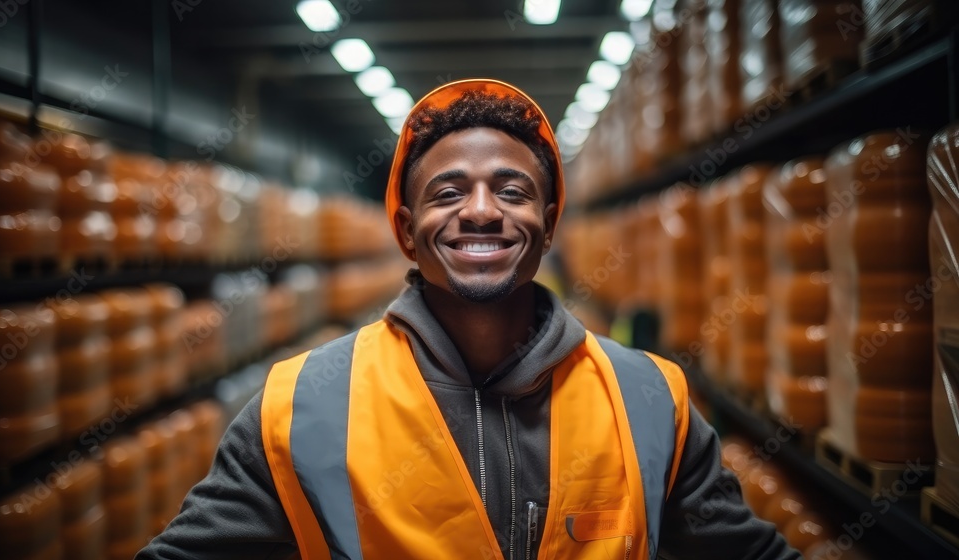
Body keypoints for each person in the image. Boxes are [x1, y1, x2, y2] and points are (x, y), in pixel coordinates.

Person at [138, 79, 800, 560]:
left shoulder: (651, 400)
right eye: (448, 192)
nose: (481, 211)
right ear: (405, 230)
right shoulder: (298, 408)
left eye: (512, 191)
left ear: (548, 228)